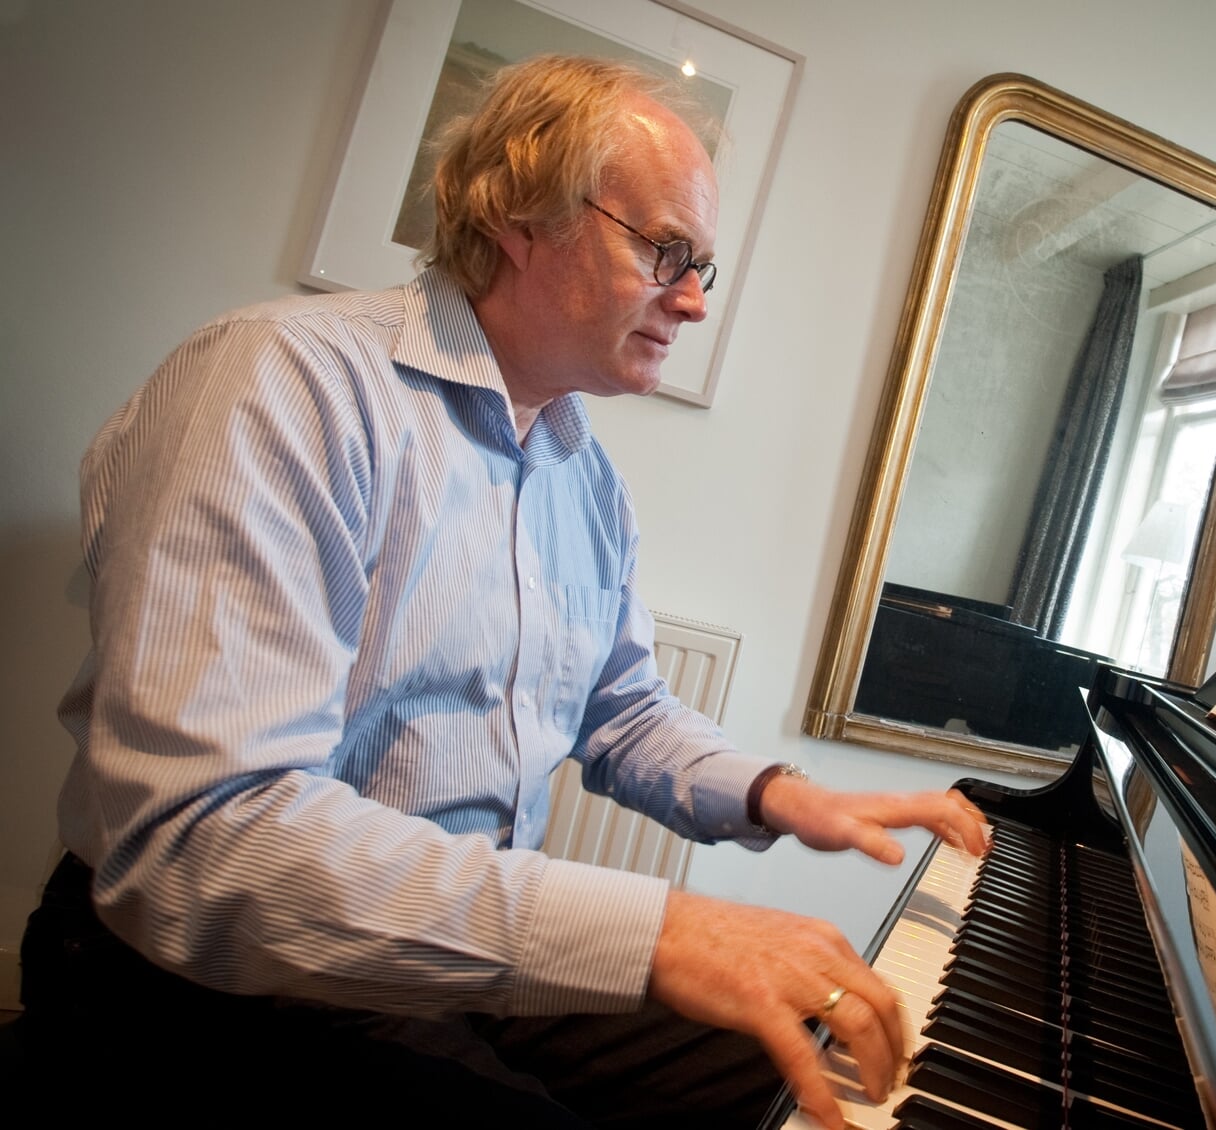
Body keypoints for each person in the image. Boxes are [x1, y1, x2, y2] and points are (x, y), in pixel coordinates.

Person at [20, 54, 988, 1128]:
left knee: (822, 1063)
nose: (695, 302)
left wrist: (780, 792)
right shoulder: (278, 384)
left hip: (456, 947)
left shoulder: (588, 479)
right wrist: (662, 930)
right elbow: (209, 835)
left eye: (702, 267)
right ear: (522, 212)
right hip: (220, 977)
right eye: (668, 250)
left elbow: (621, 711)